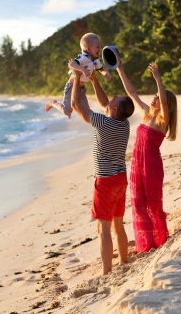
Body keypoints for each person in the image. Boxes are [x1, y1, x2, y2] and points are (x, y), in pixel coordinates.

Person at [70, 67, 135, 275]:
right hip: (120, 179)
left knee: (103, 230)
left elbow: (76, 106)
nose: (112, 99)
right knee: (118, 224)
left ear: (115, 110)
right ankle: (123, 261)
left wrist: (75, 79)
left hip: (106, 182)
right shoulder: (123, 124)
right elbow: (105, 104)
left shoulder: (103, 123)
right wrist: (94, 80)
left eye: (115, 99)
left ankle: (106, 272)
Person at [116, 61, 177, 253]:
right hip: (137, 165)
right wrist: (119, 68)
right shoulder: (147, 113)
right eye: (155, 95)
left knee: (152, 204)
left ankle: (159, 239)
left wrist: (158, 79)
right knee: (138, 204)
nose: (154, 98)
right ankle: (145, 243)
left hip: (151, 166)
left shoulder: (162, 121)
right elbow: (132, 92)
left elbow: (165, 103)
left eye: (158, 97)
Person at [45, 33, 111, 118]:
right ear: (88, 49)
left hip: (81, 89)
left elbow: (100, 69)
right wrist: (83, 70)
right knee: (67, 112)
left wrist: (106, 73)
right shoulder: (83, 58)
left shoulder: (95, 60)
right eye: (97, 46)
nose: (100, 48)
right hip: (72, 87)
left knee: (86, 110)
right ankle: (53, 103)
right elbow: (72, 64)